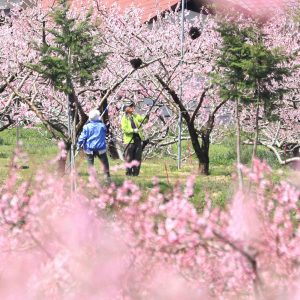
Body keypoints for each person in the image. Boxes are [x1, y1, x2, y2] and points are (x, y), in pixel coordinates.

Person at [77, 109, 110, 180]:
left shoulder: (86, 127)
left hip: (89, 148)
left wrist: (78, 145)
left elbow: (82, 138)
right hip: (100, 147)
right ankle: (107, 177)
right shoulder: (102, 126)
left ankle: (92, 178)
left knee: (90, 163)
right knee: (104, 162)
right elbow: (105, 132)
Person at [121, 100, 148, 176]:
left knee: (137, 157)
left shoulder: (135, 116)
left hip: (138, 139)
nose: (133, 108)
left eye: (133, 106)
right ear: (126, 108)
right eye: (131, 106)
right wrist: (133, 130)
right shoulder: (124, 118)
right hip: (129, 141)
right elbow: (124, 129)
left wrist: (147, 116)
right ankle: (128, 173)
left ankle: (135, 173)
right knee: (129, 158)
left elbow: (144, 120)